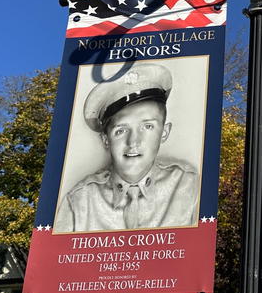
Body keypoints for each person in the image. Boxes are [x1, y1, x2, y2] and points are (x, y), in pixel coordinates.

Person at [55, 62, 199, 232]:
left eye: (147, 127)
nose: (133, 142)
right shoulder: (79, 202)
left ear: (164, 132)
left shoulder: (189, 186)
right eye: (121, 130)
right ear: (105, 139)